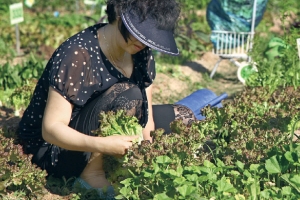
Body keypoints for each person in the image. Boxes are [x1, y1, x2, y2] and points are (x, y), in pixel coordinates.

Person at [18, 0, 226, 198]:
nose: (143, 42)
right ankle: (92, 174)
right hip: (56, 150)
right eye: (139, 34)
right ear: (119, 14)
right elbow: (51, 129)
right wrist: (102, 145)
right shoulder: (78, 53)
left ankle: (113, 161)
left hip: (104, 125)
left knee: (183, 118)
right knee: (129, 92)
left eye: (148, 37)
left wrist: (148, 149)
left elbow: (147, 115)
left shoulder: (140, 50)